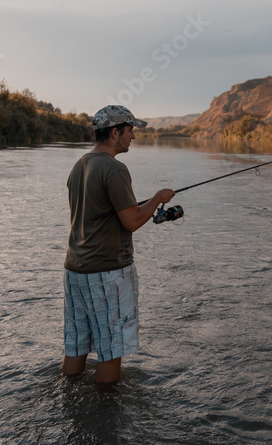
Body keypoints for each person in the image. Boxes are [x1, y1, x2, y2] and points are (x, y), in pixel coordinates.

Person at [61, 105, 174, 384]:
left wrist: (144, 204)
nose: (133, 136)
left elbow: (100, 211)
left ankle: (67, 396)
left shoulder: (80, 165)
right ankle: (106, 415)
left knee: (76, 344)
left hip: (75, 270)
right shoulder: (114, 168)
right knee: (110, 349)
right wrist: (158, 198)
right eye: (130, 129)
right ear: (115, 132)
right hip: (107, 272)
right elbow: (132, 221)